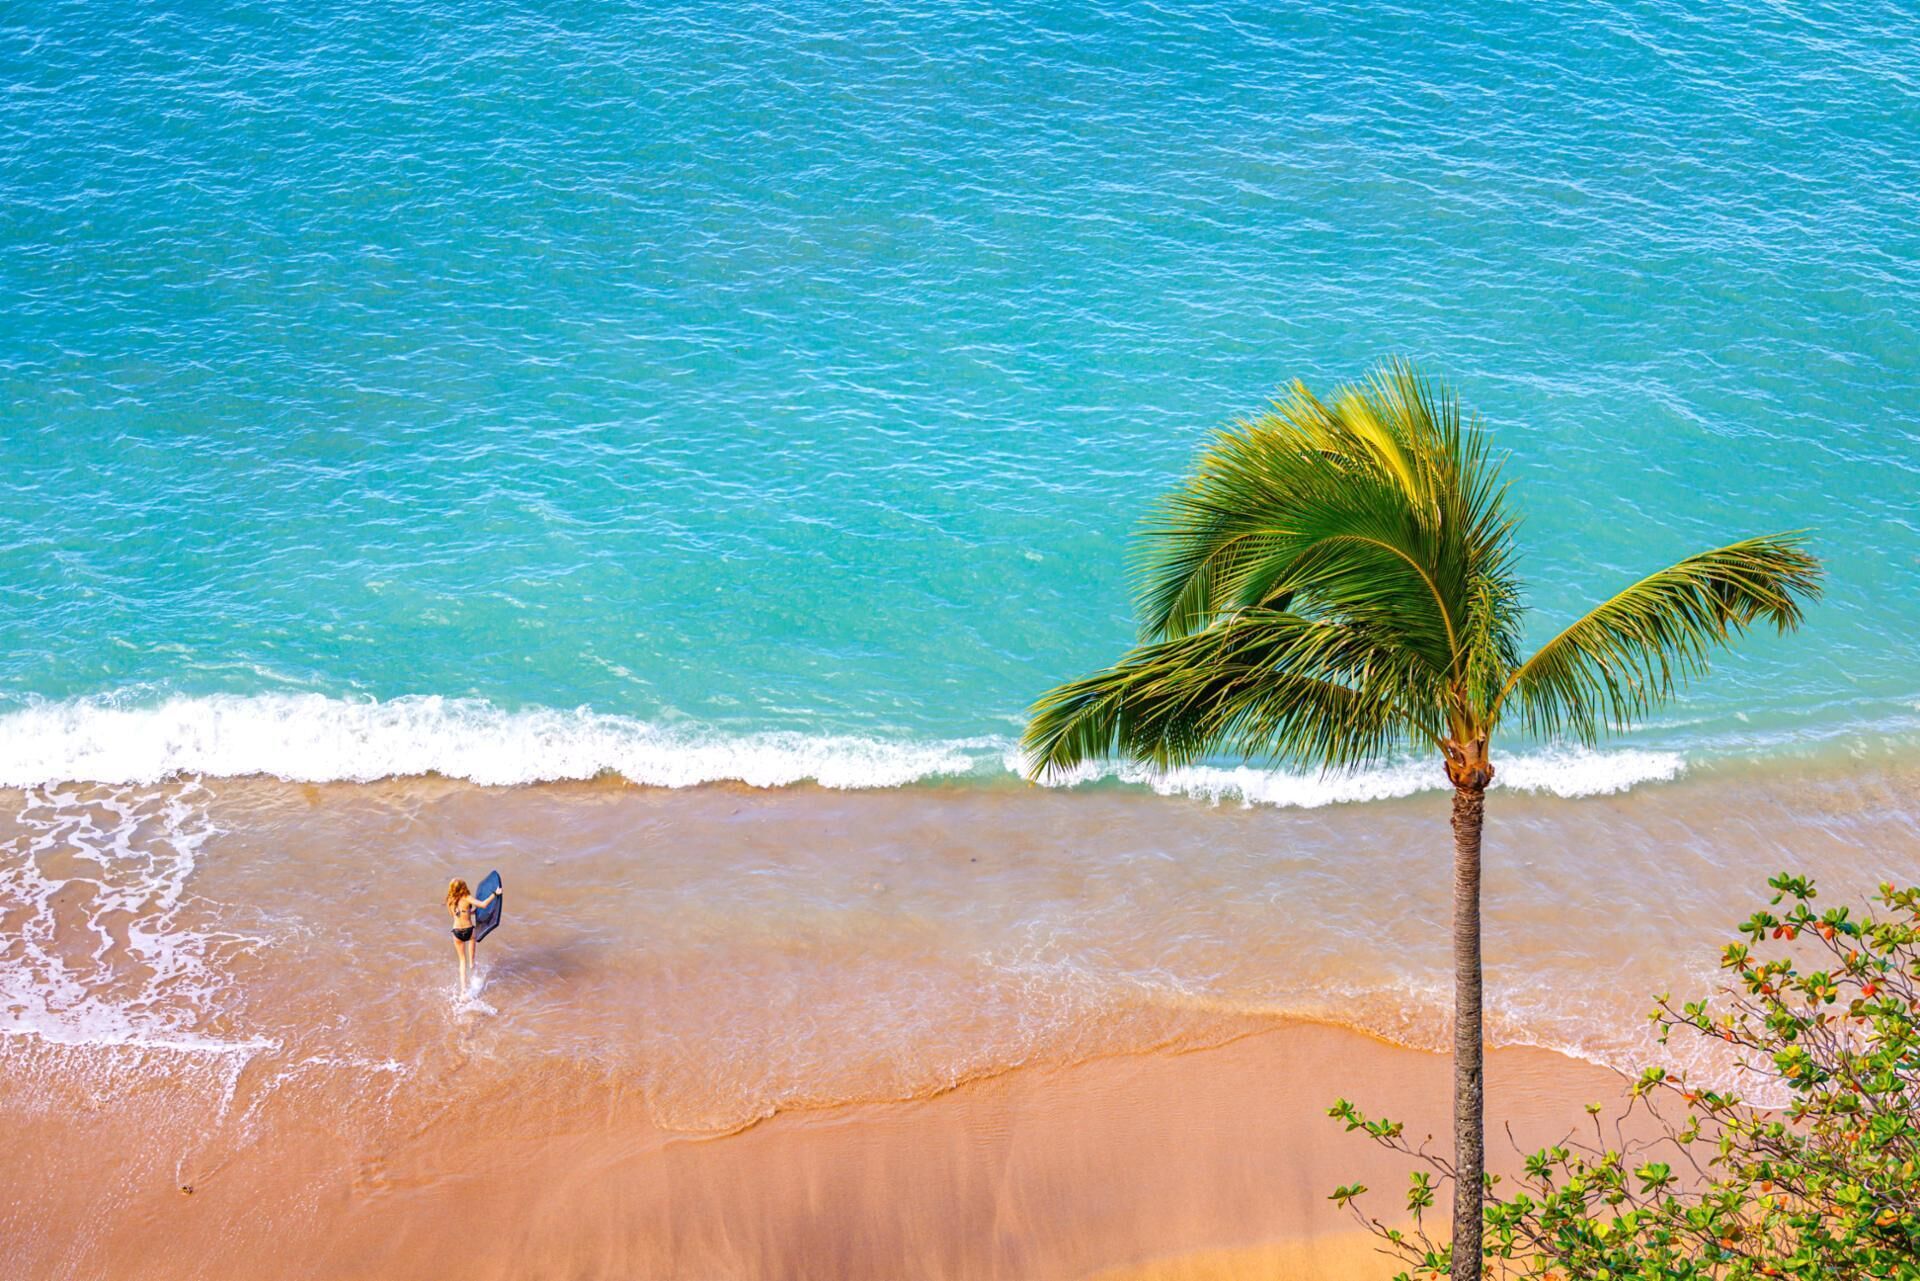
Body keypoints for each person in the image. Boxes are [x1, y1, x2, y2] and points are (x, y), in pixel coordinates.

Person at [445, 877, 502, 993]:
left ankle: (463, 991)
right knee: (471, 962)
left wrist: (469, 912)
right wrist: (495, 894)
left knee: (462, 961)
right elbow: (483, 904)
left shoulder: (449, 901)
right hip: (469, 931)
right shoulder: (467, 897)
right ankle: (474, 983)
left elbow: (455, 915)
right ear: (463, 887)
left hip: (457, 932)